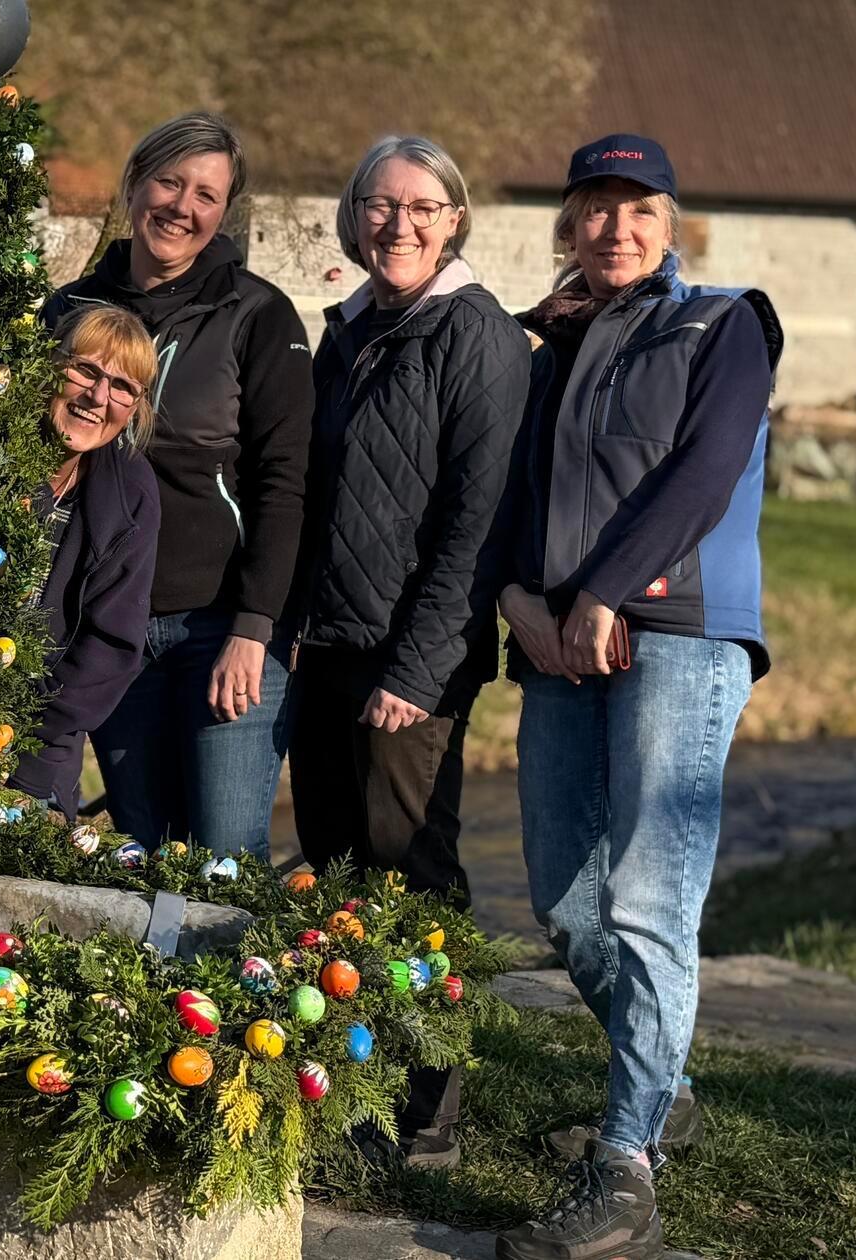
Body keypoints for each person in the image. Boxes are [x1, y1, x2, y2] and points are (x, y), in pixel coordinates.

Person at [492, 134, 781, 1260]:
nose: (615, 229)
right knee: (567, 902)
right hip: (561, 636)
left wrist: (607, 591)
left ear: (671, 225)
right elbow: (514, 493)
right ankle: (664, 1093)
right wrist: (518, 597)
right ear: (570, 226)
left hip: (677, 635)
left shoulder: (726, 321)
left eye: (638, 210)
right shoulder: (551, 343)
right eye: (595, 209)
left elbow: (704, 471)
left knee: (649, 904)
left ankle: (625, 1175)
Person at [287, 136, 530, 1169]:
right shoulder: (350, 331)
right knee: (337, 874)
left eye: (422, 207)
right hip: (328, 648)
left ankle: (430, 1105)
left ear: (455, 221)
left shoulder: (475, 337)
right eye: (378, 205)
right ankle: (354, 1088)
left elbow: (478, 527)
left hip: (408, 664)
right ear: (353, 220)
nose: (398, 224)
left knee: (412, 876)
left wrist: (417, 672)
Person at [44, 112, 313, 858]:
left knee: (225, 854)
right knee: (142, 845)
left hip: (218, 625)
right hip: (108, 627)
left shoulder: (257, 314)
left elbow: (284, 481)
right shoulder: (69, 311)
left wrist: (254, 628)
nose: (182, 208)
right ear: (134, 185)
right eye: (168, 181)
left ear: (224, 212)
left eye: (206, 195)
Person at [5, 307, 162, 818]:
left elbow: (112, 645)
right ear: (52, 366)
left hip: (39, 742)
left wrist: (19, 725)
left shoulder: (132, 495)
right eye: (86, 371)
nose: (98, 398)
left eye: (123, 388)